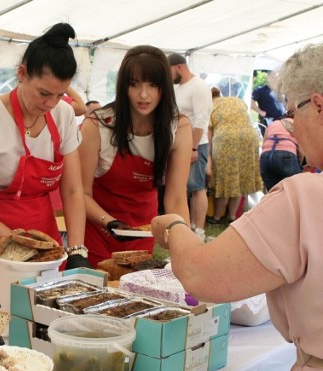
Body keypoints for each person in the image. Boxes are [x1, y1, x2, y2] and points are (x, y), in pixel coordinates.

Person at [151, 43, 323, 371]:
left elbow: (200, 274)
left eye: (293, 113)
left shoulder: (305, 195)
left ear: (319, 105)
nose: (291, 129)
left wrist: (176, 227)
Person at [0, 23, 92, 296]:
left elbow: (72, 190)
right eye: (44, 93)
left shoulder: (63, 116)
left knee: (43, 314)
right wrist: (10, 239)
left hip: (45, 234)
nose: (51, 103)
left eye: (60, 94)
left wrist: (76, 249)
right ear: (22, 74)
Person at [79, 45, 192, 266]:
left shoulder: (178, 127)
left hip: (143, 231)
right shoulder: (97, 125)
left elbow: (177, 196)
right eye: (134, 84)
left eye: (153, 85)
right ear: (123, 86)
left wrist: (185, 248)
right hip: (97, 230)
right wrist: (110, 223)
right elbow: (80, 193)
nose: (143, 94)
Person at [168, 52, 212, 241]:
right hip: (179, 143)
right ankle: (189, 226)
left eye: (168, 71)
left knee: (197, 187)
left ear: (179, 67)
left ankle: (200, 230)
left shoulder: (199, 87)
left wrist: (193, 147)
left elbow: (201, 120)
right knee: (181, 188)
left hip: (196, 144)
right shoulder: (178, 88)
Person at [206, 90, 263, 224]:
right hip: (249, 138)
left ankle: (217, 217)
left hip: (226, 139)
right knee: (239, 180)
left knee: (224, 181)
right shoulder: (236, 100)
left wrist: (208, 155)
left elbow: (208, 135)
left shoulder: (209, 106)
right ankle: (232, 217)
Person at [260, 117, 301, 191]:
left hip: (265, 157)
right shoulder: (296, 123)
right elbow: (302, 150)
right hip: (286, 155)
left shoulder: (273, 123)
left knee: (272, 193)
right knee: (295, 190)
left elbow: (263, 144)